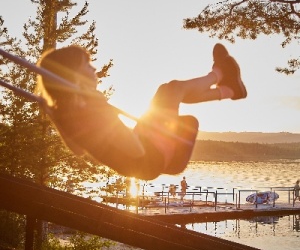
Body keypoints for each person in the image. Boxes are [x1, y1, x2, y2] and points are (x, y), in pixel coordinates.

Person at [37, 43, 247, 180]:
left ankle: (229, 88)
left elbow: (78, 149)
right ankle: (221, 73)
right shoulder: (91, 111)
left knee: (172, 92)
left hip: (144, 159)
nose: (93, 69)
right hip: (149, 158)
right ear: (74, 75)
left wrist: (54, 116)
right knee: (172, 90)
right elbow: (135, 149)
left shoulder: (70, 111)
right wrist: (105, 113)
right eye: (87, 64)